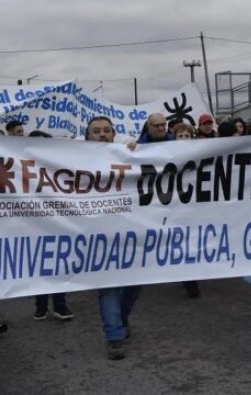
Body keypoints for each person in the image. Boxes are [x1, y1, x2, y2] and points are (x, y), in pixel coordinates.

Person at [85, 116, 143, 360]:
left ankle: (121, 317)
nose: (102, 134)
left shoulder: (128, 154)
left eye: (107, 131)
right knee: (108, 288)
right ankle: (115, 336)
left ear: (113, 134)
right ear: (87, 136)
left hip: (130, 231)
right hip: (96, 235)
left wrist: (136, 150)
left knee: (136, 282)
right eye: (96, 131)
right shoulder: (72, 159)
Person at [136, 113, 201, 298]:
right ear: (148, 126)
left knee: (183, 239)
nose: (160, 128)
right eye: (156, 125)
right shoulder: (138, 147)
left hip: (176, 199)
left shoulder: (176, 145)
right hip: (151, 201)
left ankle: (190, 281)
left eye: (163, 125)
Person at [23, 130, 75, 321]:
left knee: (59, 264)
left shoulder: (57, 165)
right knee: (40, 266)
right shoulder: (22, 166)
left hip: (57, 221)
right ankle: (41, 305)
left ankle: (60, 305)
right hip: (34, 223)